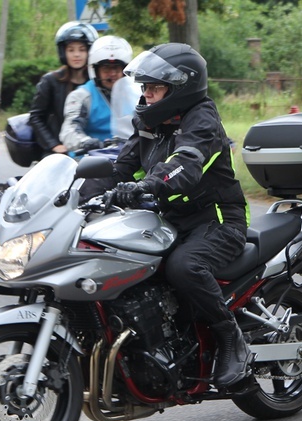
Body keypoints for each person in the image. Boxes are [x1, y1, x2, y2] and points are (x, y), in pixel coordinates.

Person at [95, 43, 252, 388]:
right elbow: (120, 168)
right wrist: (69, 193)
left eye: (155, 88)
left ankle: (231, 338)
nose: (147, 95)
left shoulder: (202, 120)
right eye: (145, 88)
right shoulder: (152, 123)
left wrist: (147, 185)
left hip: (217, 219)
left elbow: (185, 165)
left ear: (180, 88)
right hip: (172, 219)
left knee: (184, 266)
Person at [28, 21, 98, 157]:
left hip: (92, 148)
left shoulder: (96, 82)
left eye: (82, 49)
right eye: (71, 50)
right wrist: (54, 144)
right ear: (63, 52)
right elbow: (36, 117)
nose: (76, 54)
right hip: (60, 150)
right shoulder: (50, 81)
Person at [59, 35, 132, 153]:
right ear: (96, 71)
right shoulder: (81, 96)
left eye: (116, 68)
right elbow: (69, 130)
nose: (112, 73)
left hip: (128, 157)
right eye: (106, 69)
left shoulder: (135, 94)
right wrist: (86, 142)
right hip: (92, 159)